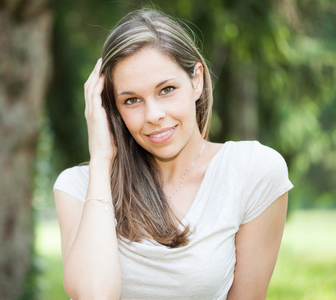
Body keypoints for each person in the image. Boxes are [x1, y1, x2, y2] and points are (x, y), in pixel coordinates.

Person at [53, 8, 293, 300]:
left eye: (166, 89)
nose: (154, 115)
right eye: (131, 100)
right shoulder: (77, 188)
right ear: (110, 109)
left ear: (196, 80)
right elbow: (93, 295)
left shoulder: (251, 171)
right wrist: (101, 161)